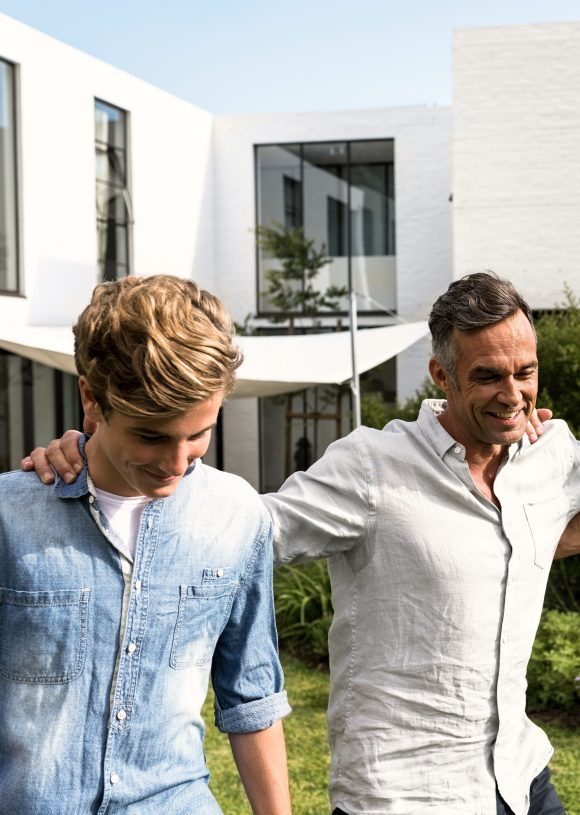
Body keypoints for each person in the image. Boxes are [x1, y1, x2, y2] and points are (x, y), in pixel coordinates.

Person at [24, 273, 580, 815]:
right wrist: (93, 457)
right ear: (441, 374)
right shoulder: (372, 467)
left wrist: (534, 536)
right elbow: (239, 532)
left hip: (522, 776)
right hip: (409, 790)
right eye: (488, 377)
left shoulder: (548, 454)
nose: (514, 394)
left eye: (525, 373)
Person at [2, 275, 292, 815]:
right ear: (91, 397)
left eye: (200, 433)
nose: (178, 464)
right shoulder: (9, 518)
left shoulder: (236, 515)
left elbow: (251, 696)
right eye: (152, 436)